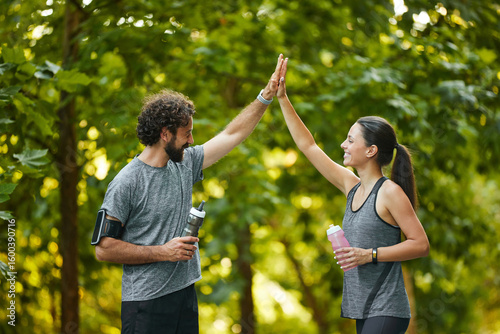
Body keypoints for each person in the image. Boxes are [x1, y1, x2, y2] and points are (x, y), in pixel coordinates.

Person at [93, 54, 286, 334]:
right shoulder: (127, 182)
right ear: (165, 134)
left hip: (184, 295)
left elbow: (233, 135)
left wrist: (266, 96)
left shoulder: (184, 163)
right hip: (145, 303)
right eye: (187, 133)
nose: (192, 140)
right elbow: (103, 249)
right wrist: (163, 252)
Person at [276, 58, 429, 334]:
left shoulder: (389, 192)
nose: (343, 145)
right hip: (363, 308)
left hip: (387, 308)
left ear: (371, 150)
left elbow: (420, 244)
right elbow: (308, 146)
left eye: (350, 140)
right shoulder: (352, 186)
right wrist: (283, 98)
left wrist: (369, 254)